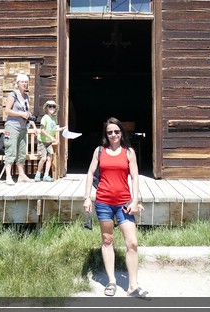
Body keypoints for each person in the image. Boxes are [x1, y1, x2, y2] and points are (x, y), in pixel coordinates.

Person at [83, 117, 148, 299]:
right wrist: (87, 197)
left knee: (132, 243)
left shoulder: (129, 152)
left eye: (116, 132)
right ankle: (112, 281)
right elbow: (90, 173)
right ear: (106, 134)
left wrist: (135, 200)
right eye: (110, 132)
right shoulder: (99, 151)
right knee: (107, 241)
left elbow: (135, 178)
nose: (113, 135)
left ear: (121, 133)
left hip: (124, 202)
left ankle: (133, 286)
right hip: (103, 201)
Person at [3, 73, 35, 185]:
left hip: (22, 127)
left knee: (21, 151)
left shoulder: (27, 97)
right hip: (12, 126)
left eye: (26, 82)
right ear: (17, 83)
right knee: (11, 150)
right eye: (22, 82)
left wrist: (28, 117)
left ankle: (21, 175)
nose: (25, 84)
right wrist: (21, 114)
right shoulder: (13, 95)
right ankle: (8, 176)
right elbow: (7, 111)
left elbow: (26, 112)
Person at [34, 100, 59, 182]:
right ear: (46, 108)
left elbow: (54, 128)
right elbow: (42, 130)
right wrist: (51, 138)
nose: (52, 108)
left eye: (53, 106)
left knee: (49, 158)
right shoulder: (44, 118)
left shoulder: (54, 118)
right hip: (43, 141)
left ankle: (46, 175)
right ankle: (38, 174)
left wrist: (63, 129)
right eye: (50, 106)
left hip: (49, 142)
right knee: (43, 158)